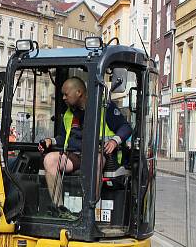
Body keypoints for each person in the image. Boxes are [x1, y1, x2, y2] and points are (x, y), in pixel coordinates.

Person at [38, 77, 131, 216]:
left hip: (101, 154)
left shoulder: (104, 107)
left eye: (66, 94)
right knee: (49, 160)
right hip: (76, 155)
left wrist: (114, 141)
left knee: (95, 161)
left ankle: (89, 210)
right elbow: (64, 138)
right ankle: (60, 209)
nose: (63, 98)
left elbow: (125, 127)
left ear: (79, 92)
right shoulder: (69, 114)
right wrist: (51, 141)